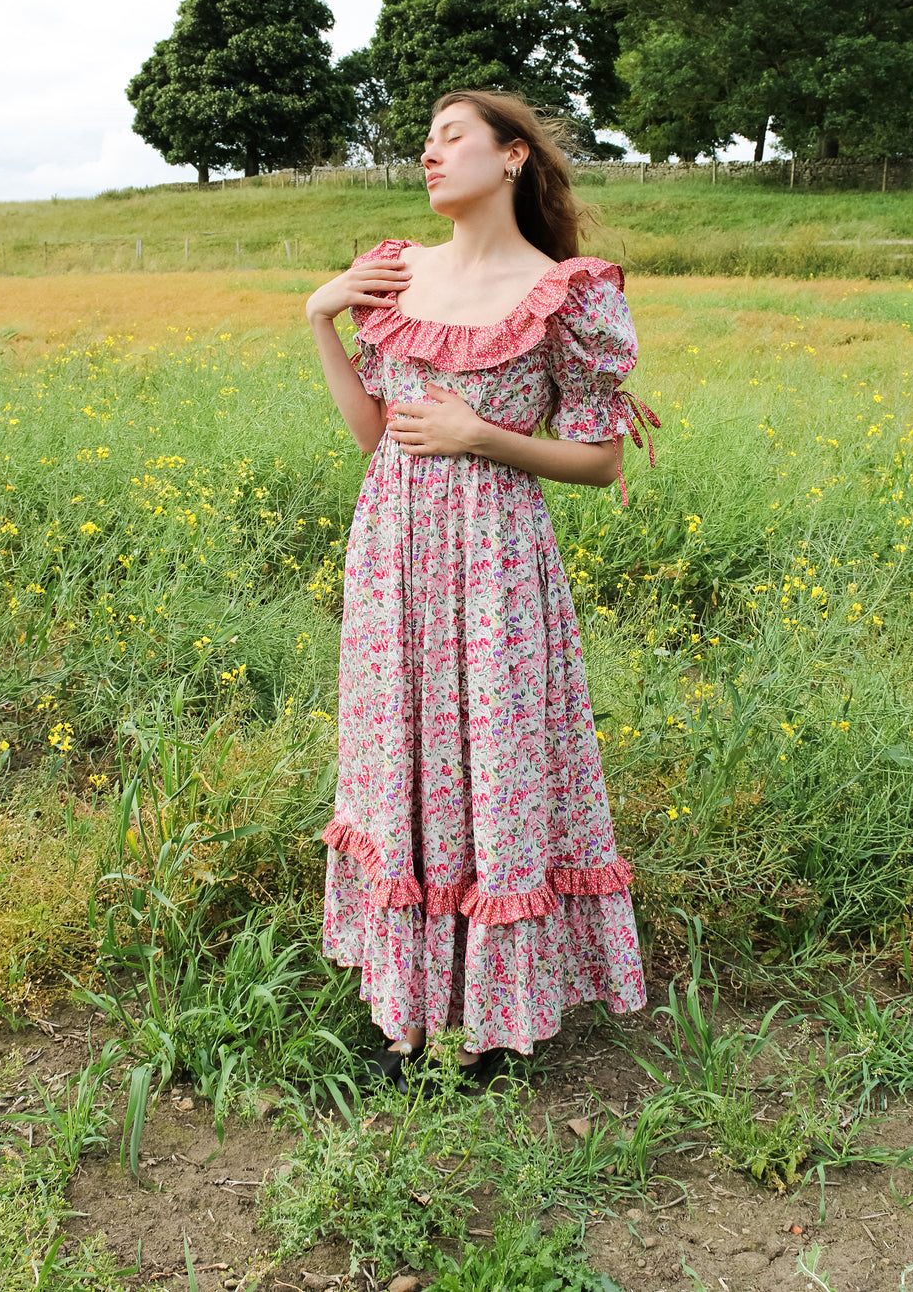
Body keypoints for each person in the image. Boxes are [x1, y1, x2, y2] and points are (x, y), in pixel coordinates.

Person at [305, 89, 657, 1084]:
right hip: (393, 549)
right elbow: (377, 436)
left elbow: (595, 461)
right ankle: (403, 1011)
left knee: (494, 765)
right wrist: (321, 316)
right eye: (423, 140)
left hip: (497, 561)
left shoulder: (568, 292)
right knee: (402, 759)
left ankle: (497, 1026)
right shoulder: (392, 274)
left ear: (510, 158)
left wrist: (480, 437)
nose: (428, 153)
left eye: (450, 136)